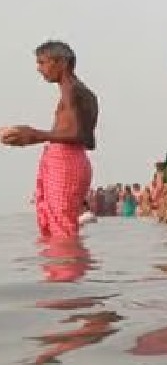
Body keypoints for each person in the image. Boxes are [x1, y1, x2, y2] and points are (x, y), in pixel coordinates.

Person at [1, 41, 99, 241]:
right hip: (71, 160)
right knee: (58, 228)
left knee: (61, 231)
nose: (39, 69)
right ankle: (63, 269)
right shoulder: (82, 92)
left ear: (61, 63)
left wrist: (35, 135)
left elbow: (80, 134)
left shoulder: (72, 90)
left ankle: (67, 269)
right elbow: (87, 140)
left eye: (43, 62)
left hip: (65, 163)